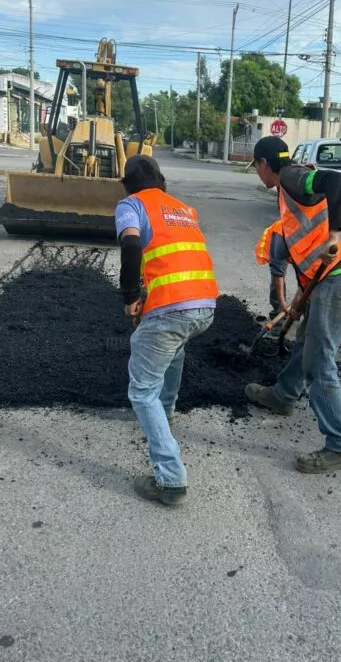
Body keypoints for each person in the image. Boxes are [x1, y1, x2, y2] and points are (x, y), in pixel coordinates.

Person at [246, 136, 341, 474]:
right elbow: (306, 249)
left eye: (256, 167)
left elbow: (335, 180)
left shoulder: (291, 176)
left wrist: (335, 234)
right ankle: (284, 395)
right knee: (306, 341)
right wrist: (300, 301)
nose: (257, 174)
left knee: (320, 358)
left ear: (262, 163)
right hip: (329, 275)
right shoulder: (288, 189)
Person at [115, 155, 218, 506]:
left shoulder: (131, 205)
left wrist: (130, 297)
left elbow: (130, 244)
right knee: (175, 350)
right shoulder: (182, 209)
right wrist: (147, 292)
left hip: (172, 309)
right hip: (205, 305)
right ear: (161, 180)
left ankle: (171, 480)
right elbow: (171, 257)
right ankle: (168, 413)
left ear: (127, 184)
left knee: (142, 391)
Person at [255, 219, 289, 327]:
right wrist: (282, 303)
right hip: (280, 241)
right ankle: (277, 316)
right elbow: (277, 272)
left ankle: (304, 310)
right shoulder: (280, 233)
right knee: (277, 278)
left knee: (308, 281)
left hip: (309, 247)